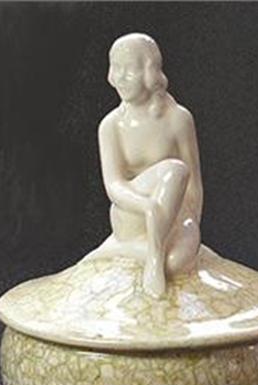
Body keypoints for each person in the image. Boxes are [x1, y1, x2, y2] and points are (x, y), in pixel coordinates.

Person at [87, 33, 203, 298]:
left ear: (150, 71)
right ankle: (150, 253)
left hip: (174, 218)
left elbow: (194, 185)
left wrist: (191, 222)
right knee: (174, 169)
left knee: (176, 264)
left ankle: (130, 251)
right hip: (131, 215)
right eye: (116, 68)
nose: (120, 77)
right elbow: (114, 185)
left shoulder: (178, 119)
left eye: (129, 69)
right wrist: (148, 207)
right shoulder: (111, 125)